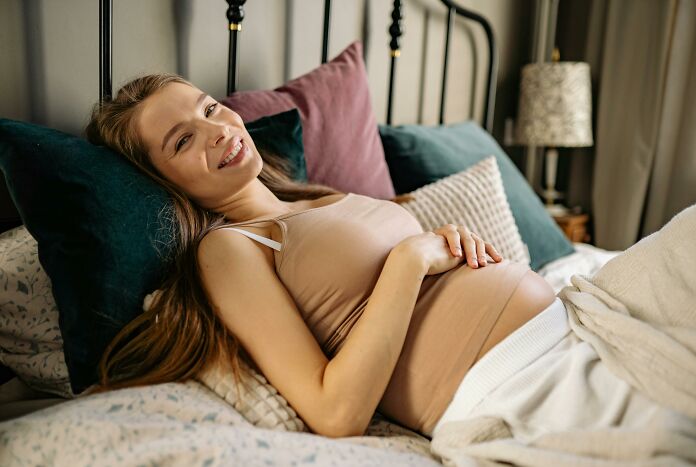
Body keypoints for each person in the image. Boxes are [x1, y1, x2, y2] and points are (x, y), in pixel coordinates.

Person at [85, 73, 558, 439]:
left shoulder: (316, 200)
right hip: (517, 386)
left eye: (210, 108)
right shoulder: (229, 247)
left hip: (565, 331)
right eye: (182, 140)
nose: (217, 130)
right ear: (161, 183)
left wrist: (447, 243)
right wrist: (409, 261)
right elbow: (335, 413)